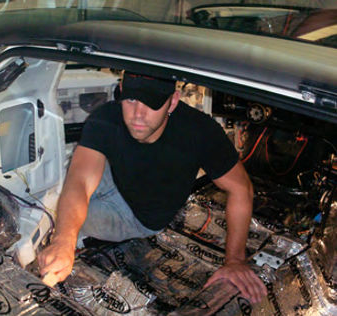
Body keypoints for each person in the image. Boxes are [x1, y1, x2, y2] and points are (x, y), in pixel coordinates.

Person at [38, 71, 268, 303]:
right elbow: (80, 179)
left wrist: (236, 261)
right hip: (117, 179)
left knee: (55, 213)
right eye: (131, 100)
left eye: (152, 103)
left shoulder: (200, 131)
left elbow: (241, 189)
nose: (138, 114)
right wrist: (63, 240)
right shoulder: (107, 116)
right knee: (68, 189)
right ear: (120, 91)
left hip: (136, 217)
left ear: (173, 101)